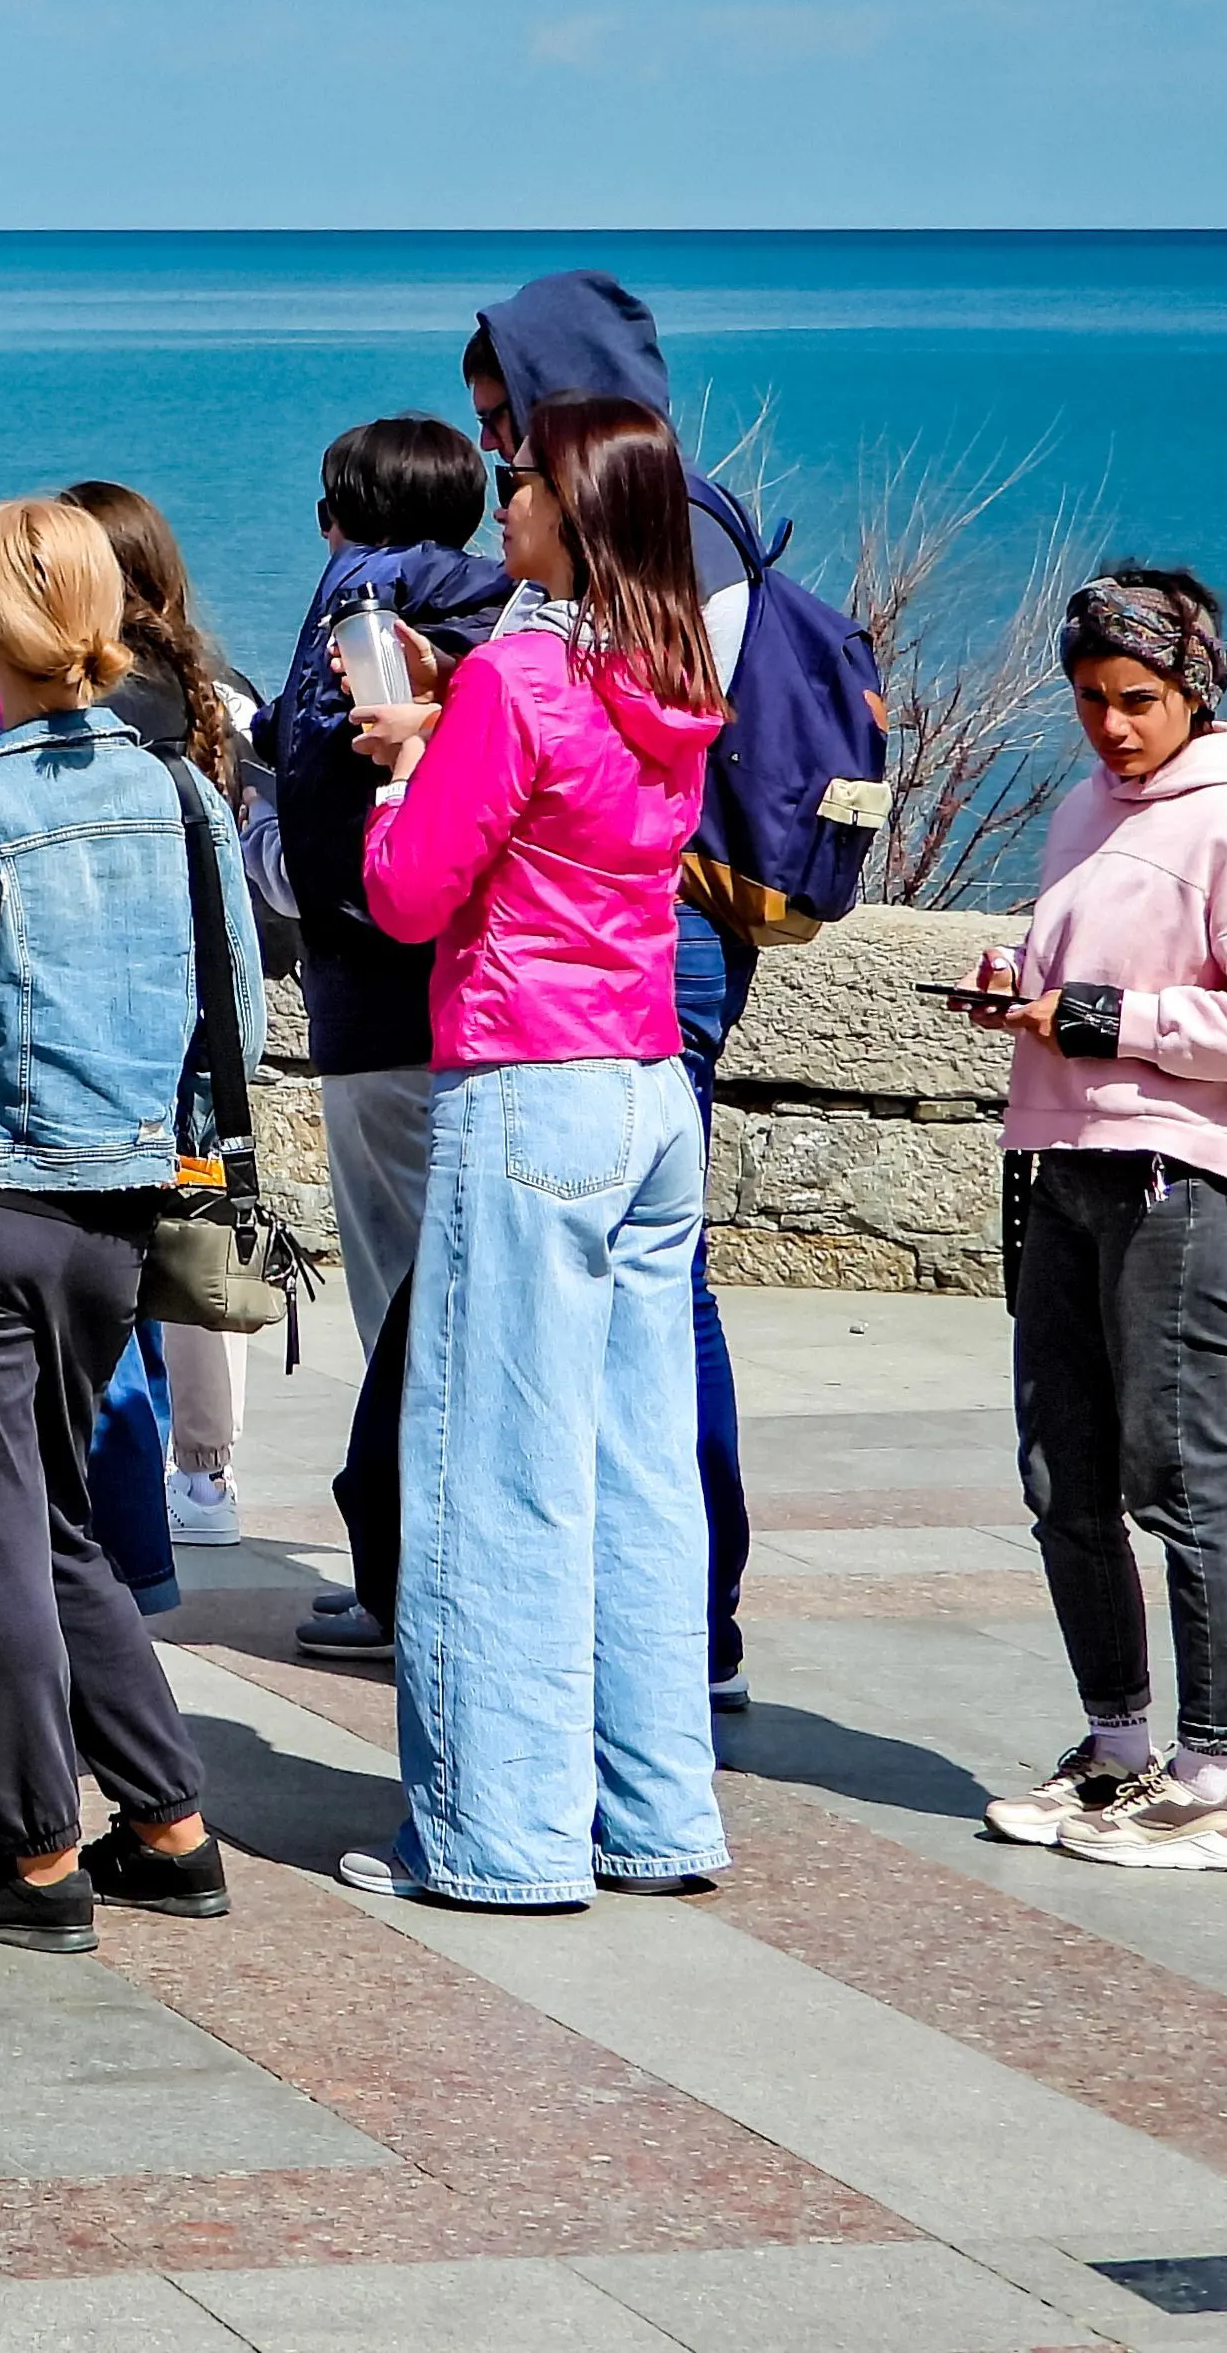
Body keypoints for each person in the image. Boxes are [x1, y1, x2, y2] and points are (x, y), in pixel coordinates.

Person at [340, 394, 729, 1910]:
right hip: (646, 1088)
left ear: (576, 509)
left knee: (494, 1470)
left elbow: (414, 891)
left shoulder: (516, 675)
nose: (500, 508)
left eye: (522, 489)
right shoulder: (672, 677)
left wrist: (399, 771)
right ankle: (653, 1810)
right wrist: (453, 738)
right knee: (641, 1474)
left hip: (529, 1080)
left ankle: (497, 1834)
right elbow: (577, 824)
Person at [0, 497, 248, 1950]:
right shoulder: (184, 793)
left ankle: (33, 1854)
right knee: (60, 1513)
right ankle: (167, 1815)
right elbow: (238, 1019)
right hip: (119, 1215)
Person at [972, 569, 1227, 1876]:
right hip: (1062, 1163)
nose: (1114, 726)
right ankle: (1119, 1752)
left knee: (1179, 1477)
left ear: (1196, 691)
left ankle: (1217, 1777)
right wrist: (1027, 990)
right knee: (1064, 1475)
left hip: (1186, 1180)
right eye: (1090, 701)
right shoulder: (1081, 812)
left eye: (1140, 700)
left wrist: (1118, 1019)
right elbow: (1096, 978)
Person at [464, 272, 763, 1710]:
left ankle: (640, 1663)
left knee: (551, 1398)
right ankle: (666, 1702)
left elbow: (424, 874)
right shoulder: (680, 542)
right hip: (639, 989)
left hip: (590, 987)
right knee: (643, 1356)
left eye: (503, 438)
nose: (492, 477)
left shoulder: (591, 610)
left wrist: (443, 753)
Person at [256, 419, 512, 1668]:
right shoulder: (507, 616)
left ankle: (403, 1581)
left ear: (334, 514)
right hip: (494, 1008)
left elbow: (315, 843)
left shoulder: (353, 614)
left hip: (373, 1011)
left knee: (401, 1308)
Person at [60, 479, 262, 1556]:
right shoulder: (215, 686)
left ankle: (143, 1490)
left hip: (124, 1024)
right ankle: (206, 1472)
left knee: (128, 1276)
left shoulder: (104, 707)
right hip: (197, 1031)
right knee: (189, 1249)